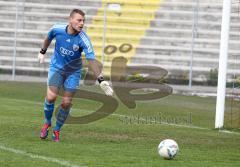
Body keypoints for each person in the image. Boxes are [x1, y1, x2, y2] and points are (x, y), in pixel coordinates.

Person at [38, 9, 113, 142]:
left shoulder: (83, 39)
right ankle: (47, 123)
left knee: (66, 103)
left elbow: (91, 60)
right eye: (79, 20)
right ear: (70, 20)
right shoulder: (57, 29)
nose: (82, 23)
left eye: (83, 21)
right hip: (56, 68)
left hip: (73, 72)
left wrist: (101, 80)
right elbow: (48, 38)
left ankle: (57, 129)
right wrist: (42, 51)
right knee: (51, 97)